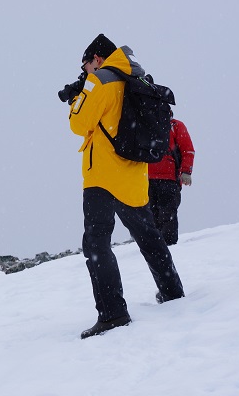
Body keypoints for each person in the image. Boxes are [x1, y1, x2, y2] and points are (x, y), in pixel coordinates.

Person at [65, 34, 185, 339]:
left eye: (86, 63)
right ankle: (172, 291)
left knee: (96, 244)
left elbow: (78, 124)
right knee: (148, 236)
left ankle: (112, 313)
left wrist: (79, 96)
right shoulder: (136, 76)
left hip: (102, 175)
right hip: (133, 175)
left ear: (97, 59)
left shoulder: (100, 80)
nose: (85, 70)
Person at [148, 112, 195, 246]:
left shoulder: (175, 126)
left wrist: (186, 171)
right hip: (153, 179)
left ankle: (166, 247)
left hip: (166, 179)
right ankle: (158, 246)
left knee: (164, 213)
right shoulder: (174, 125)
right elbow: (188, 150)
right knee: (155, 215)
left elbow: (187, 150)